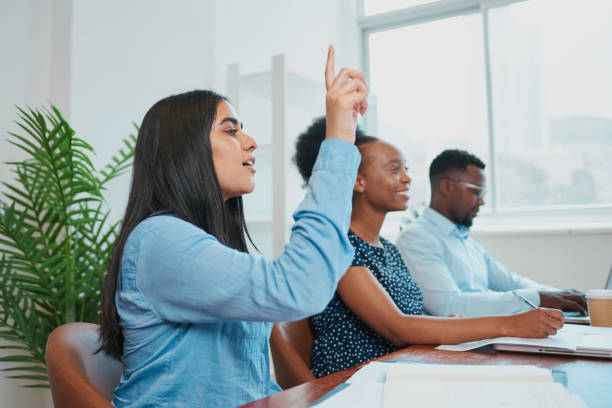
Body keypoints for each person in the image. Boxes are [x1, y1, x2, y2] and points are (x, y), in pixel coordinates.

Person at [98, 46, 369, 407]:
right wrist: (338, 139)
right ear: (186, 151)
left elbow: (247, 385)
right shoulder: (160, 240)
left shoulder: (203, 245)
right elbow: (298, 288)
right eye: (231, 131)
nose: (250, 142)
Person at [293, 120, 563, 378]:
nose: (408, 178)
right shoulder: (342, 247)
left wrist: (455, 325)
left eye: (406, 168)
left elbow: (414, 318)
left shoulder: (388, 249)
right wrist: (509, 324)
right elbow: (398, 328)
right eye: (394, 169)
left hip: (403, 370)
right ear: (358, 181)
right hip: (357, 381)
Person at [396, 149, 587, 317]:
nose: (481, 201)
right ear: (447, 187)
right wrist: (540, 298)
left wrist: (564, 297)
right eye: (476, 192)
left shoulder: (465, 241)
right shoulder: (416, 239)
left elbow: (512, 283)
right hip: (453, 349)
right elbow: (448, 306)